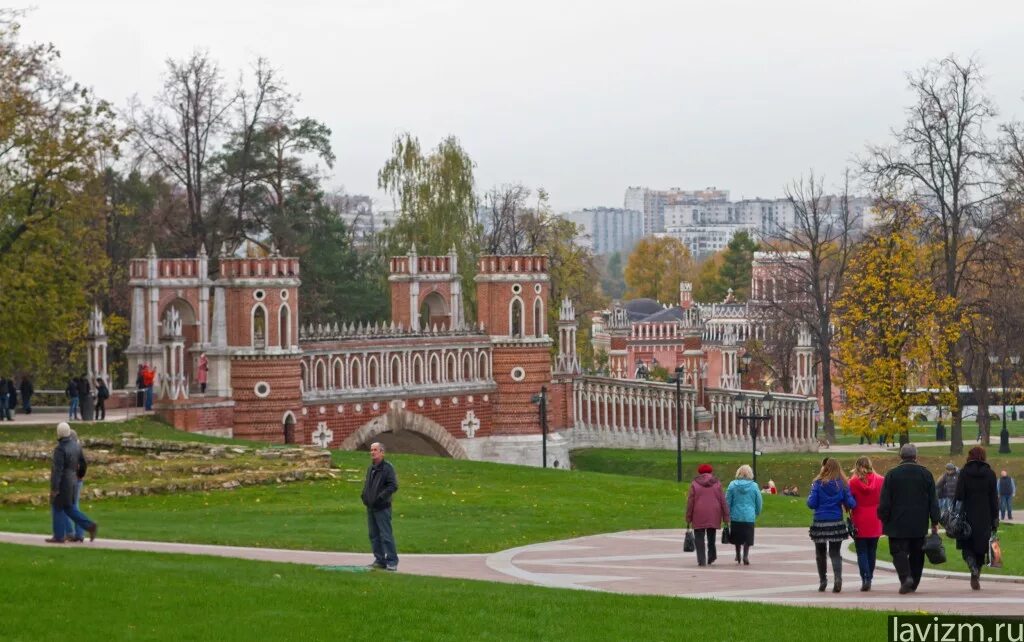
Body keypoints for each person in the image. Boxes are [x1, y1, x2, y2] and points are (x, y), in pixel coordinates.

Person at [878, 444, 941, 594]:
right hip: (918, 522)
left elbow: (885, 500)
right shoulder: (925, 474)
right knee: (917, 553)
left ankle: (906, 577)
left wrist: (883, 517)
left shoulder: (892, 474)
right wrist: (935, 520)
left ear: (901, 456)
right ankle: (914, 581)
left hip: (897, 522)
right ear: (915, 456)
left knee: (897, 551)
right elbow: (933, 500)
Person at [807, 457, 856, 593]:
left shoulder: (817, 483)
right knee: (835, 552)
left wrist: (811, 496)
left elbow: (811, 504)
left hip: (820, 521)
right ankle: (838, 579)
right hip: (836, 521)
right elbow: (851, 503)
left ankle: (823, 581)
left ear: (825, 468)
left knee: (820, 553)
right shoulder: (842, 484)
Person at [955, 448, 999, 590]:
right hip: (985, 514)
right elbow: (994, 499)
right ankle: (976, 574)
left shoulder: (964, 472)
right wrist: (995, 518)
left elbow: (959, 495)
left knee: (967, 544)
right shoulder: (990, 474)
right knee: (981, 547)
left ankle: (971, 564)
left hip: (967, 513)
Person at [48, 422, 97, 543]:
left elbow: (57, 470)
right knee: (70, 508)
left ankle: (59, 536)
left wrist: (54, 488)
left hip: (63, 482)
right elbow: (83, 463)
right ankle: (89, 526)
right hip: (73, 480)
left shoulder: (60, 449)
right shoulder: (76, 446)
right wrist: (79, 476)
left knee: (57, 507)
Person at [361, 442, 398, 571]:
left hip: (382, 507)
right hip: (370, 507)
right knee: (374, 535)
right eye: (371, 450)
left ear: (382, 452)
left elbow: (393, 486)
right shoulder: (371, 468)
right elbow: (368, 485)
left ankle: (392, 561)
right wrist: (364, 496)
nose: (372, 452)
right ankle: (380, 560)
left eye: (375, 450)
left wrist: (381, 498)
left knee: (386, 535)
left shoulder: (388, 468)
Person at [849, 456, 884, 591]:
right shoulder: (881, 480)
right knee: (872, 550)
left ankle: (865, 577)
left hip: (859, 517)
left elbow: (850, 502)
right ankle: (870, 576)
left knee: (861, 551)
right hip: (875, 518)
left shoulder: (852, 482)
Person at [686, 463, 729, 567]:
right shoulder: (717, 483)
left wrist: (688, 517)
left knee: (699, 537)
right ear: (711, 471)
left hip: (698, 512)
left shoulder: (694, 484)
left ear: (699, 472)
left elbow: (690, 501)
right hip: (714, 512)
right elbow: (723, 500)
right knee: (711, 536)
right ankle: (711, 556)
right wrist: (726, 516)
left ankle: (701, 560)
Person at [726, 464, 762, 565]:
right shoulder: (754, 486)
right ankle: (745, 555)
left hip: (736, 515)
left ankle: (738, 554)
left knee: (737, 536)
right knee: (747, 537)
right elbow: (758, 501)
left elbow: (728, 500)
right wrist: (757, 511)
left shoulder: (732, 485)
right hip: (749, 516)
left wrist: (727, 513)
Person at [62, 429, 88, 542]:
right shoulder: (78, 449)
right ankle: (79, 533)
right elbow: (83, 465)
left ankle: (70, 532)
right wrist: (80, 476)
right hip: (77, 479)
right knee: (75, 505)